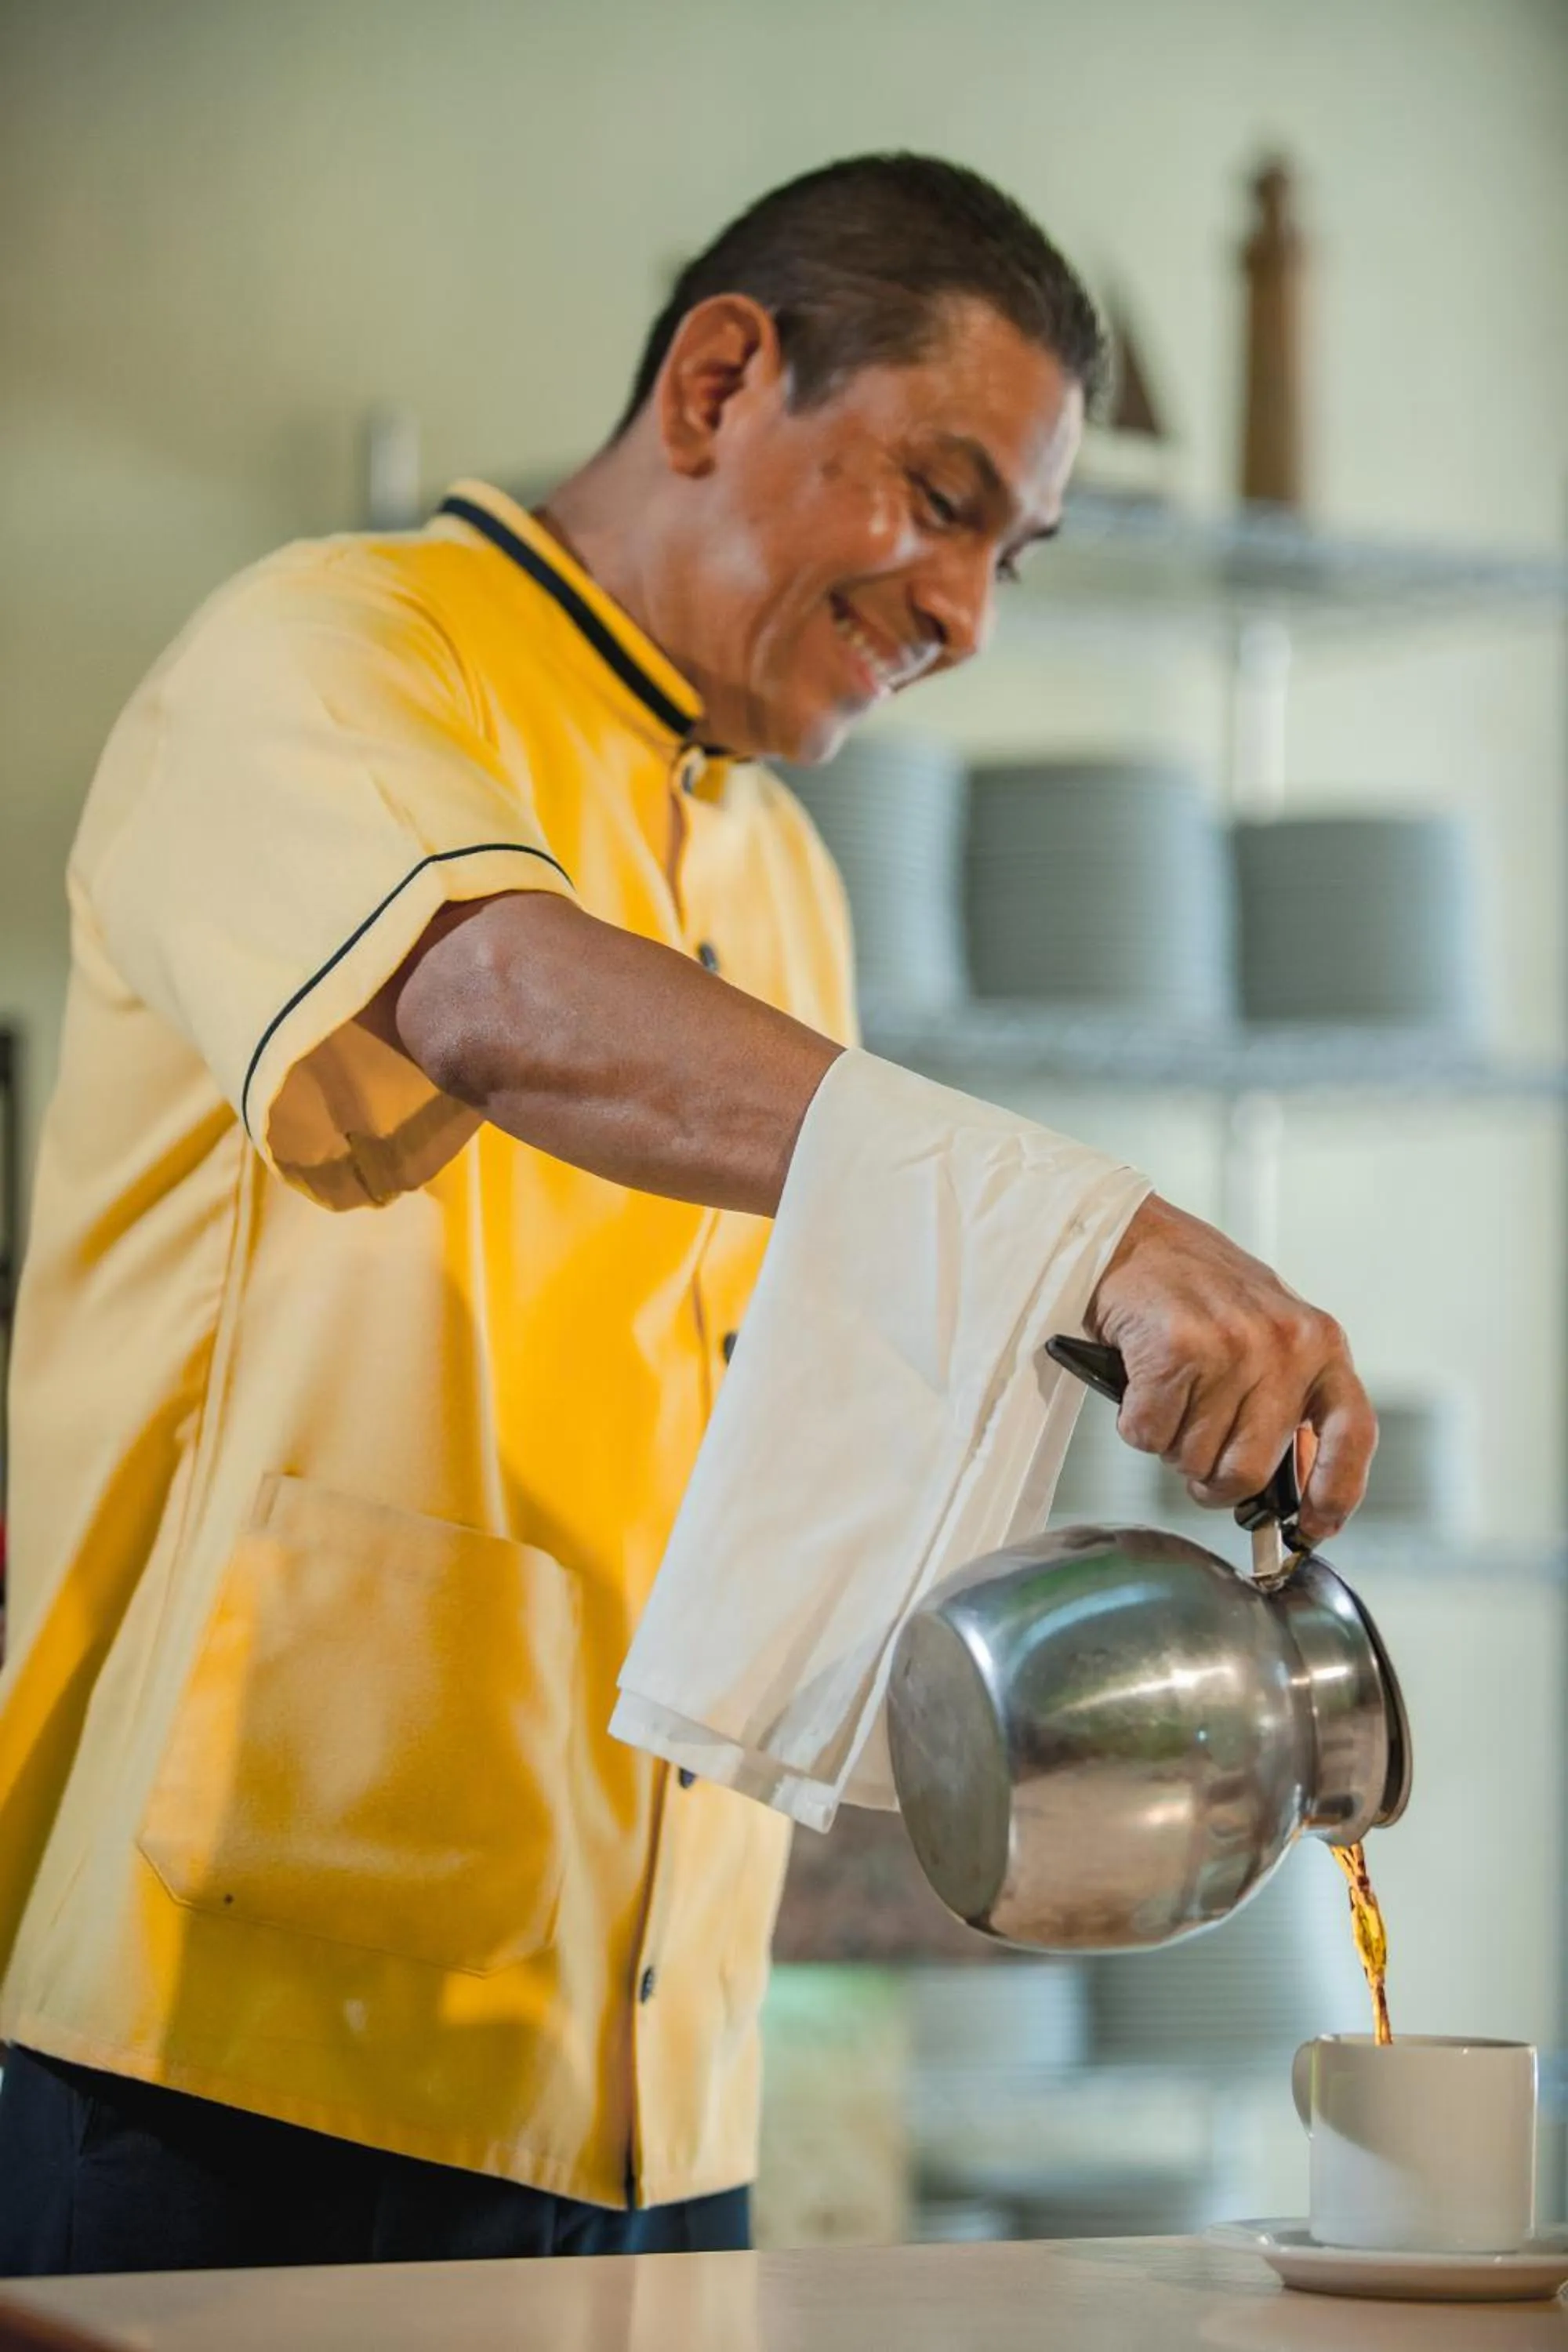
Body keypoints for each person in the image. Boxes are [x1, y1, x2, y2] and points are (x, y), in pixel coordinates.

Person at [0, 153, 1374, 2275]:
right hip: (231, 2031)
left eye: (1014, 553)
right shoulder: (325, 651)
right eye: (938, 498)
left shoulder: (782, 883)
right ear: (725, 376)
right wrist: (1077, 1216)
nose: (966, 615)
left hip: (657, 2075)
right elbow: (478, 992)